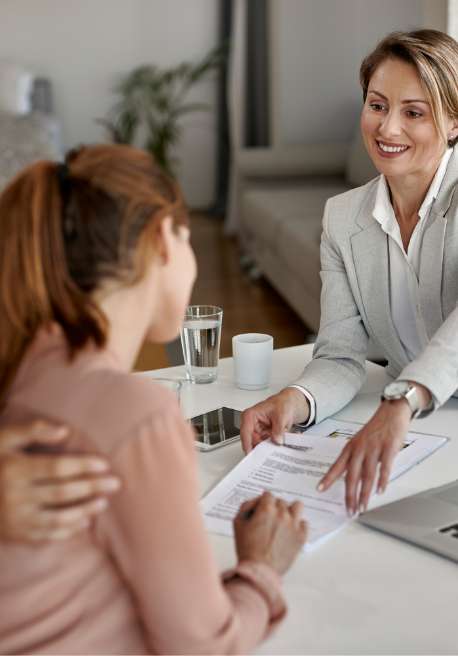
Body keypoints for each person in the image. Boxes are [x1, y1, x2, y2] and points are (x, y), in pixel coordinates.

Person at [0, 144, 306, 654]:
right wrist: (261, 569)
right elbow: (205, 647)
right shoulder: (135, 414)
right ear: (165, 238)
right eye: (188, 238)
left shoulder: (20, 370)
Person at [240, 29, 458, 516]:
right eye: (377, 105)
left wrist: (399, 401)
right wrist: (294, 401)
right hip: (422, 434)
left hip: (409, 417)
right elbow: (340, 353)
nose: (389, 129)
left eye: (414, 112)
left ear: (453, 123)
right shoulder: (342, 218)